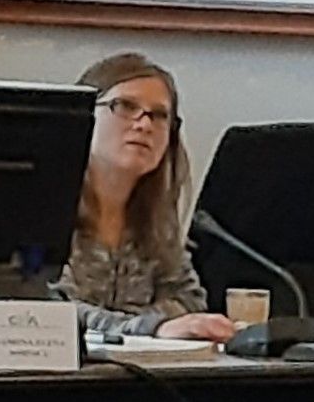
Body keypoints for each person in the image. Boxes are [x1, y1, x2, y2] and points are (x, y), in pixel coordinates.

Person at [51, 53, 237, 340]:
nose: (144, 125)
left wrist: (149, 328)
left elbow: (189, 301)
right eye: (125, 106)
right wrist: (150, 327)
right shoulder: (43, 210)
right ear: (83, 115)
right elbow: (45, 310)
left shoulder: (155, 219)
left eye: (159, 115)